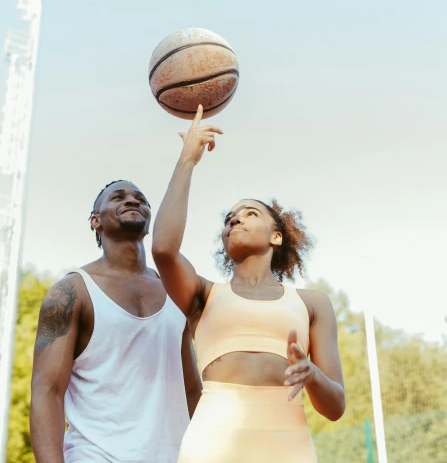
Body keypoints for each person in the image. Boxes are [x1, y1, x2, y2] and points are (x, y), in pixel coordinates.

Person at [152, 106, 346, 462]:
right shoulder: (204, 295)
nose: (235, 218)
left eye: (249, 213)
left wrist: (312, 373)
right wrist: (187, 160)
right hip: (211, 444)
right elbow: (163, 249)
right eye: (229, 218)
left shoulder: (313, 303)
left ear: (276, 237)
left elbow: (335, 407)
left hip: (289, 446)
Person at [30, 180, 202, 463]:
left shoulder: (176, 292)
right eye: (118, 197)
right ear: (95, 221)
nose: (133, 201)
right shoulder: (71, 291)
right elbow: (47, 391)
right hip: (94, 455)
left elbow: (192, 390)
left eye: (141, 198)